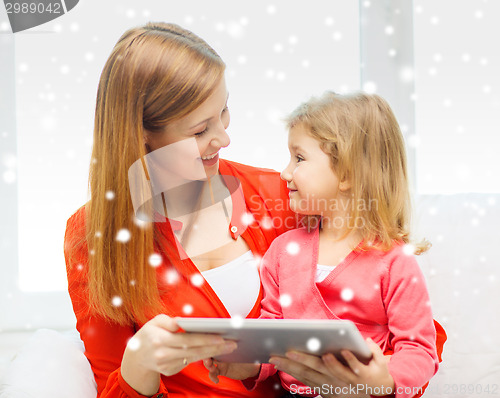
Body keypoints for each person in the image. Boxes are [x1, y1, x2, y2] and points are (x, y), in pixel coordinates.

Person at [64, 22, 301, 398]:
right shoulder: (92, 234)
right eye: (199, 130)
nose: (223, 137)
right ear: (141, 133)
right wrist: (137, 367)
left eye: (224, 111)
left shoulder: (281, 193)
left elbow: (384, 320)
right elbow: (110, 381)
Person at [204, 92, 447, 398]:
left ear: (346, 173)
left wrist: (384, 382)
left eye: (299, 158)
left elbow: (419, 350)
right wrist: (245, 365)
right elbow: (272, 340)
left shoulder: (396, 262)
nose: (285, 173)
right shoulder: (282, 252)